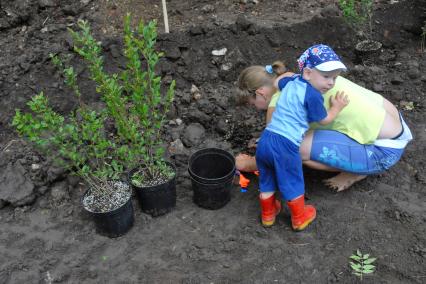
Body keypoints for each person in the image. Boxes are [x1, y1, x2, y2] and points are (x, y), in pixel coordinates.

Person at [236, 48, 413, 198]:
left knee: (293, 148)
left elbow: (277, 149)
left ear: (260, 93)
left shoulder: (277, 103)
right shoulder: (300, 78)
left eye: (252, 104)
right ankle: (357, 156)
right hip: (396, 124)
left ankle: (358, 171)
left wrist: (249, 164)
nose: (255, 108)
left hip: (384, 151)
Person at [254, 44, 350, 231]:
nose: (331, 83)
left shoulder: (291, 82)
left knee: (267, 178)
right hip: (286, 144)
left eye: (335, 78)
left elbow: (276, 83)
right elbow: (323, 120)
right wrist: (337, 107)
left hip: (266, 139)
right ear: (307, 73)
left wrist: (287, 74)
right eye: (326, 76)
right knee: (291, 179)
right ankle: (299, 217)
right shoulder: (313, 95)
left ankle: (268, 214)